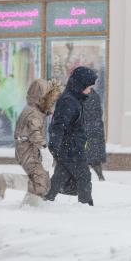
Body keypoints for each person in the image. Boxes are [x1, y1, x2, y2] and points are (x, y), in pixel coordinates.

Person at [0, 78, 62, 205]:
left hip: (28, 149)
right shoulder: (33, 113)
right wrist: (44, 149)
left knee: (42, 181)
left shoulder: (34, 110)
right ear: (41, 98)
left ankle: (30, 206)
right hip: (28, 150)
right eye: (49, 98)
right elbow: (34, 132)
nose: (51, 102)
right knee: (40, 183)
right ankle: (6, 180)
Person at [44, 66, 97, 206]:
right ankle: (86, 206)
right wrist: (55, 145)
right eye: (88, 87)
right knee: (84, 177)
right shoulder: (69, 101)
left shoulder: (75, 99)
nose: (89, 91)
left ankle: (45, 199)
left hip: (72, 147)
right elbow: (58, 125)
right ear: (80, 85)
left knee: (60, 176)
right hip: (70, 149)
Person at [84, 88, 107, 181]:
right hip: (94, 131)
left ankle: (98, 177)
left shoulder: (87, 97)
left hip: (89, 131)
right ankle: (100, 176)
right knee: (93, 157)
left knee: (87, 156)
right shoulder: (95, 96)